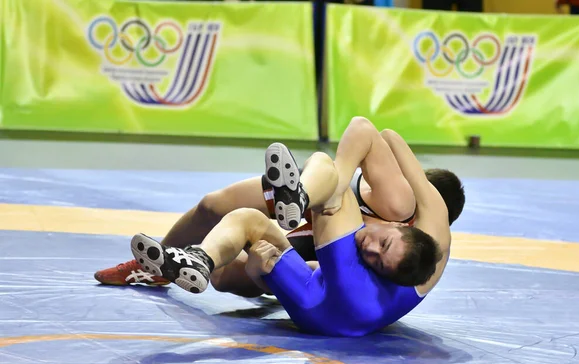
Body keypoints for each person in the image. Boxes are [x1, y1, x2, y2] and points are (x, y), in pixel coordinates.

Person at [129, 119, 453, 337]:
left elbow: (372, 131)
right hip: (316, 314)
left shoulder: (399, 212)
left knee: (328, 173)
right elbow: (320, 275)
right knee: (242, 229)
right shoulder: (421, 250)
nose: (369, 249)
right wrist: (263, 273)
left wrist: (338, 186)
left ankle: (306, 194)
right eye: (382, 246)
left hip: (331, 289)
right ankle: (202, 257)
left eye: (377, 262)